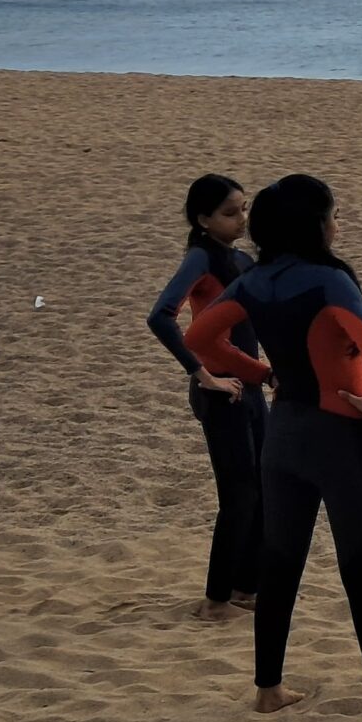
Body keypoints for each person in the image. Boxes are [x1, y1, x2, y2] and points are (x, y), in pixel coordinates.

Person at [184, 175, 362, 722]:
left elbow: (200, 339)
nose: (337, 224)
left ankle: (268, 689)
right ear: (313, 225)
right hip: (340, 439)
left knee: (280, 563)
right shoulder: (329, 280)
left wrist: (262, 372)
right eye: (333, 214)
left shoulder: (254, 279)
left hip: (284, 435)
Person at [147, 176, 267, 619]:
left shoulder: (241, 259)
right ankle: (216, 601)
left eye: (244, 209)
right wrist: (201, 374)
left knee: (263, 489)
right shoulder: (200, 258)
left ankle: (245, 589)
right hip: (220, 392)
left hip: (250, 386)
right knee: (239, 496)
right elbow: (161, 316)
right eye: (230, 213)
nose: (241, 219)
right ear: (203, 219)